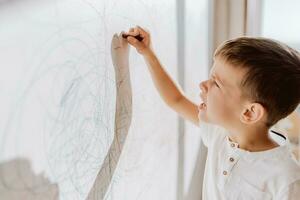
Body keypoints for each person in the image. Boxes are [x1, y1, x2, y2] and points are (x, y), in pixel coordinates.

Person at [121, 25, 300, 199]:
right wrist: (148, 52)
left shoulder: (287, 179)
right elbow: (176, 100)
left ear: (249, 113)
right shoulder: (220, 132)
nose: (203, 85)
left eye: (216, 83)